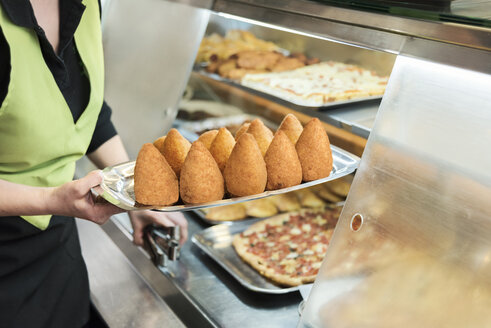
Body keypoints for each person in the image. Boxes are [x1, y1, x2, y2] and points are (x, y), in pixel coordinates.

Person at [0, 0, 188, 327]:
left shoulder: (86, 4)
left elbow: (84, 110)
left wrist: (136, 194)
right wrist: (50, 200)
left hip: (57, 248)